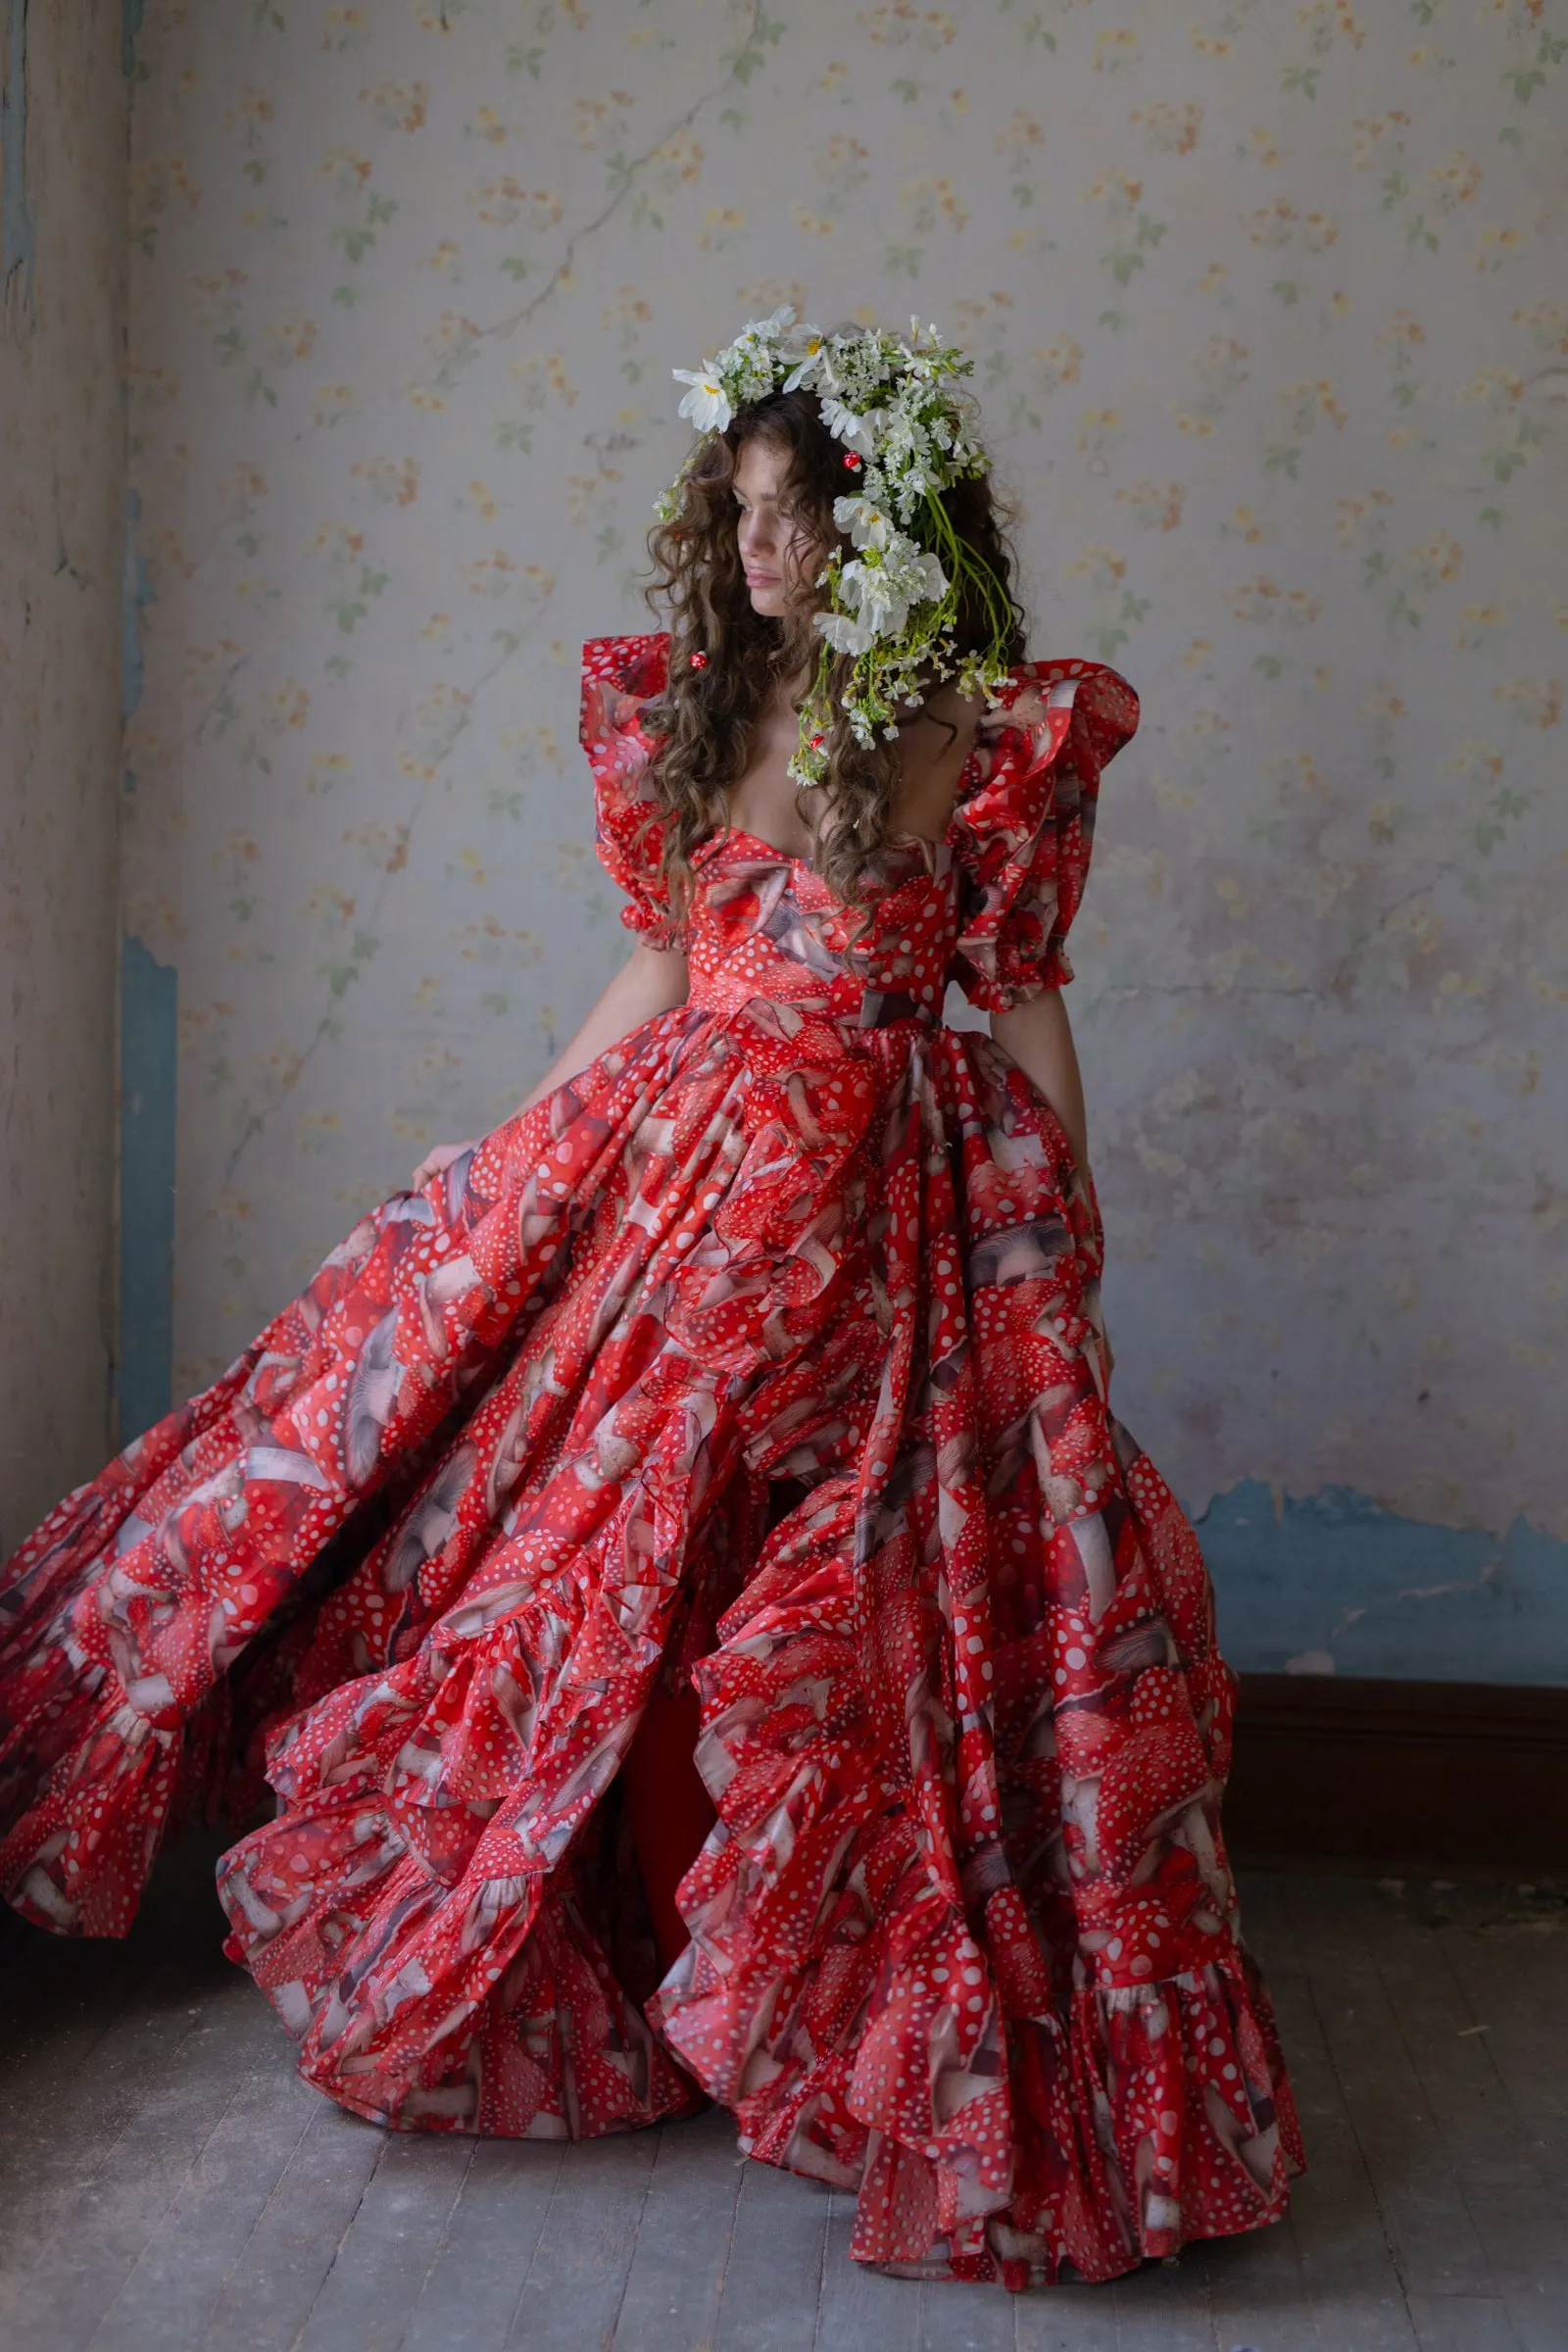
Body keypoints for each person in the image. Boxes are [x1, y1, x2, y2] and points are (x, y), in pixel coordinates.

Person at [0, 309, 1302, 2288]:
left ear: (876, 518)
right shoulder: (701, 709)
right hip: (691, 1166)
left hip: (888, 1192)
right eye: (743, 513)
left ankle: (834, 2003)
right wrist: (506, 1147)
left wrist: (1064, 1233)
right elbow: (671, 971)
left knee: (861, 1587)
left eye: (796, 516)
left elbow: (1018, 998)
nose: (762, 551)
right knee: (605, 1539)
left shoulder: (973, 723)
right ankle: (631, 1940)